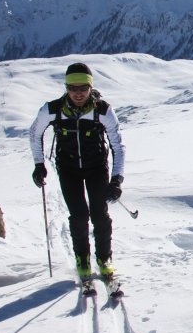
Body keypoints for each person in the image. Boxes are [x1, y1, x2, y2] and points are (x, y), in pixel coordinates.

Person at [29, 63, 126, 280]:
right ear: (66, 88)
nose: (78, 93)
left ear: (91, 88)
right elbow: (34, 134)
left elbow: (118, 146)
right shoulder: (52, 110)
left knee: (100, 215)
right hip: (68, 169)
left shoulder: (103, 111)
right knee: (79, 216)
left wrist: (117, 179)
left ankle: (104, 258)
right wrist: (38, 164)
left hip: (97, 169)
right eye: (73, 88)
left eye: (83, 87)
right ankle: (82, 258)